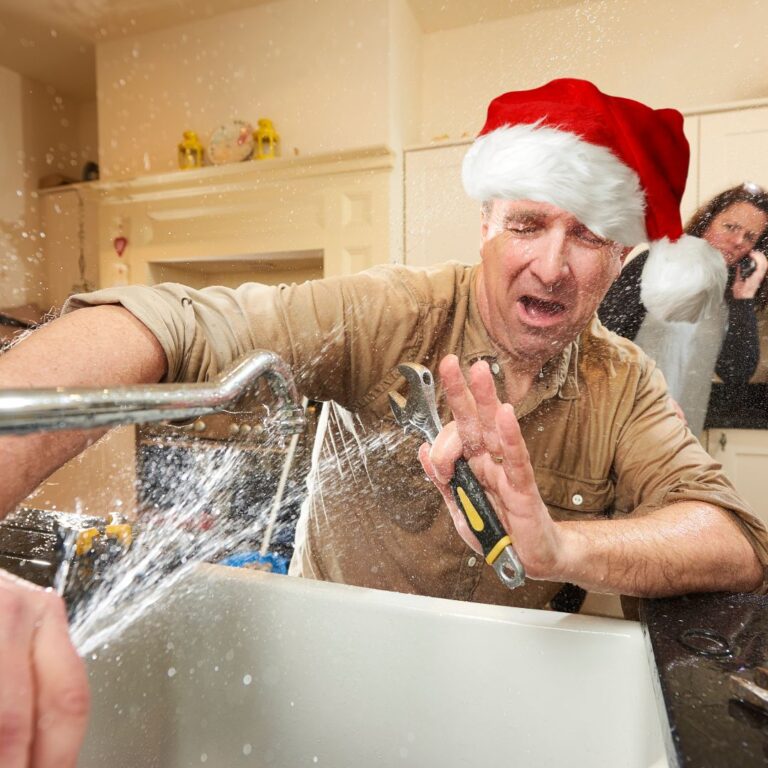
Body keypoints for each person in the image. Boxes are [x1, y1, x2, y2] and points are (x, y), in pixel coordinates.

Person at [1, 78, 767, 766]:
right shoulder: (395, 314)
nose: (552, 266)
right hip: (325, 678)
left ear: (620, 251)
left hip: (504, 699)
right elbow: (174, 325)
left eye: (589, 235)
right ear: (486, 225)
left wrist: (563, 546)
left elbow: (732, 539)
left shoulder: (622, 381)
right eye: (528, 224)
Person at [599, 184, 768, 434]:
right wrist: (645, 395)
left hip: (682, 432)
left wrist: (744, 297)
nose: (737, 242)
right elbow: (601, 339)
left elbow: (736, 372)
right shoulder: (656, 264)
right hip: (622, 420)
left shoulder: (730, 293)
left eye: (749, 237)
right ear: (708, 221)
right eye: (730, 227)